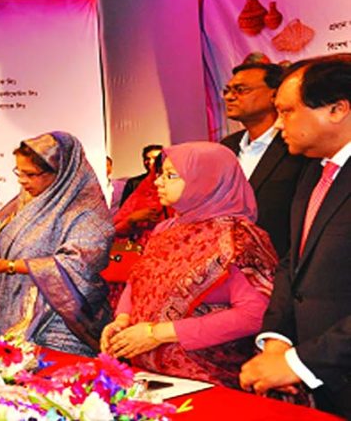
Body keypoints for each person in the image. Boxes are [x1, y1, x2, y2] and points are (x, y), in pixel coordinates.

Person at [102, 142, 278, 388]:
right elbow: (138, 279)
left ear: (206, 181)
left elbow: (254, 315)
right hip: (149, 376)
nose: (158, 182)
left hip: (208, 380)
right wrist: (122, 321)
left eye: (171, 176)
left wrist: (157, 334)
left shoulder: (238, 237)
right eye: (162, 174)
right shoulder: (166, 229)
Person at [240, 54, 351, 417]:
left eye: (287, 112)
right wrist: (278, 340)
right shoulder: (313, 172)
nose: (277, 125)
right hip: (326, 387)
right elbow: (294, 263)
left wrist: (300, 362)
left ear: (337, 109)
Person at [0, 132, 112, 356]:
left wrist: (10, 267)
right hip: (12, 314)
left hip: (59, 324)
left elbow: (77, 265)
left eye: (31, 174)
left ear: (62, 173)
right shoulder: (27, 202)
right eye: (19, 172)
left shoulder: (86, 213)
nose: (22, 180)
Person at [220, 62, 307, 261]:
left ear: (274, 95)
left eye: (240, 90)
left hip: (282, 263)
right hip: (231, 267)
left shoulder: (296, 147)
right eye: (227, 90)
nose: (230, 97)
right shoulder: (226, 147)